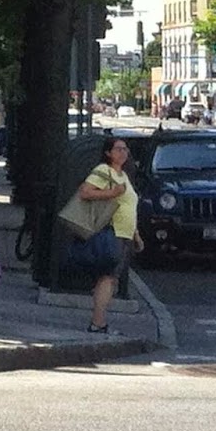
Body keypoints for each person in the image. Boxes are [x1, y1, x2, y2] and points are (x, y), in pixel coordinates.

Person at [78, 135, 143, 334]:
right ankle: (98, 323)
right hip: (112, 231)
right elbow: (85, 192)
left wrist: (136, 236)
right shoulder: (103, 171)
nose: (123, 152)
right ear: (108, 153)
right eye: (118, 149)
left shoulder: (123, 175)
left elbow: (130, 208)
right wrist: (111, 193)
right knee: (107, 277)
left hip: (125, 233)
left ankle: (99, 321)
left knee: (111, 278)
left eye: (125, 149)